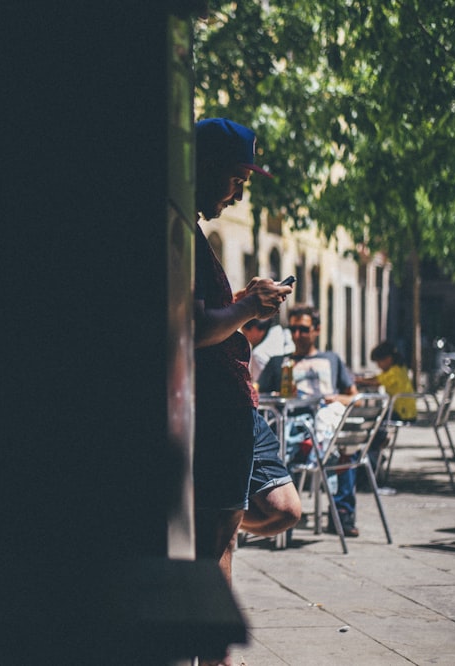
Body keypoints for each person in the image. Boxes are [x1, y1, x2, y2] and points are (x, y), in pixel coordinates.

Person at [192, 117, 300, 627]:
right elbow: (188, 329)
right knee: (217, 538)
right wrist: (248, 309)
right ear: (208, 167)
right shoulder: (176, 233)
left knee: (268, 515)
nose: (237, 197)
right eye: (236, 179)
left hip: (235, 404)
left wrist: (238, 304)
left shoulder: (190, 231)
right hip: (215, 405)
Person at [258, 304, 361, 535]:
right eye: (292, 329)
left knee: (345, 447)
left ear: (317, 330)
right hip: (291, 430)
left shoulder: (331, 359)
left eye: (303, 330)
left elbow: (355, 397)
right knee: (281, 447)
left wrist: (335, 398)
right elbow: (256, 393)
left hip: (325, 429)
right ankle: (281, 514)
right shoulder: (279, 363)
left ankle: (342, 514)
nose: (297, 335)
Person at [357, 340, 417, 477]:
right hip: (401, 411)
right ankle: (377, 446)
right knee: (375, 421)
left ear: (388, 359)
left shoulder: (395, 372)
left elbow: (377, 382)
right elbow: (378, 377)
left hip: (402, 413)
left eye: (379, 362)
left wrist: (359, 381)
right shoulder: (398, 369)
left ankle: (376, 447)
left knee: (374, 422)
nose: (378, 365)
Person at [241, 316, 294, 383]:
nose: (247, 339)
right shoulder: (286, 332)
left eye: (245, 334)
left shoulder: (258, 354)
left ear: (254, 329)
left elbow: (259, 386)